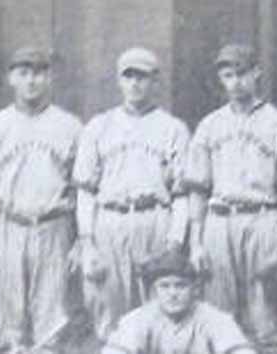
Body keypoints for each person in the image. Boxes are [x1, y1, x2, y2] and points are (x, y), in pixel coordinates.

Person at [181, 44, 277, 354]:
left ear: (256, 73)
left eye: (241, 74)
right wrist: (195, 242)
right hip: (219, 221)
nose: (235, 82)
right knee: (218, 316)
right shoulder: (209, 125)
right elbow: (198, 189)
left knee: (267, 317)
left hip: (264, 218)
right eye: (227, 75)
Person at [0, 46, 83, 352]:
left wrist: (81, 240)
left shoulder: (70, 126)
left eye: (39, 73)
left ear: (50, 78)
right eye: (24, 73)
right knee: (3, 327)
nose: (31, 81)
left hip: (53, 227)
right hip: (7, 226)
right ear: (11, 78)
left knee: (53, 324)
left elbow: (81, 190)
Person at [74, 46, 191, 337]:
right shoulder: (99, 126)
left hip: (154, 220)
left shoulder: (173, 128)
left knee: (158, 314)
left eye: (143, 77)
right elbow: (86, 192)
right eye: (129, 77)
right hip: (110, 222)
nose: (135, 84)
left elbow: (181, 194)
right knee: (109, 311)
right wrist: (87, 242)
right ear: (119, 80)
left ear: (155, 81)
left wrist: (175, 242)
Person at [102, 250, 257, 354]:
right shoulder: (139, 319)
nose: (173, 294)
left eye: (180, 286)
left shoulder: (214, 319)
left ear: (195, 290)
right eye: (164, 286)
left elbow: (241, 351)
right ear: (154, 292)